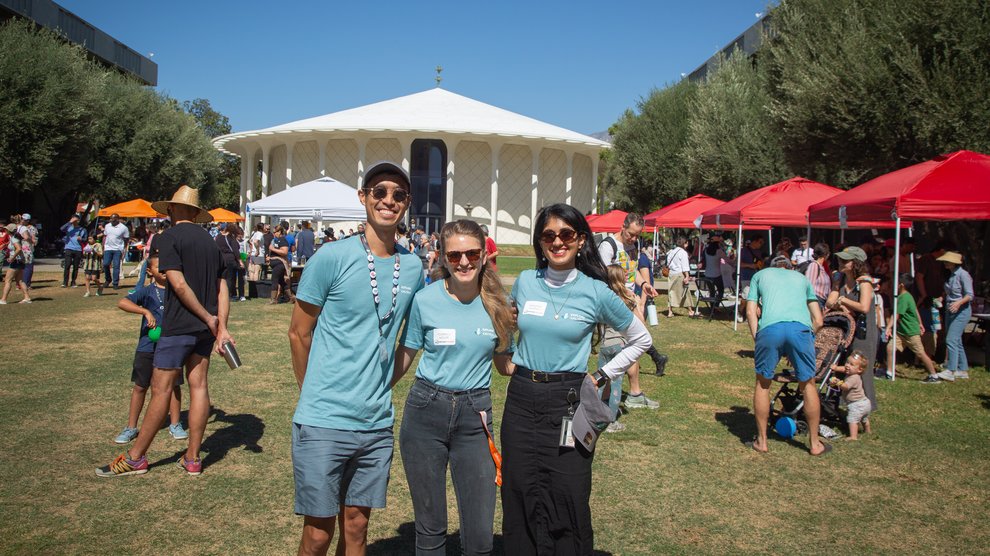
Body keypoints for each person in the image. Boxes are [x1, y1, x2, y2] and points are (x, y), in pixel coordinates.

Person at [287, 161, 422, 556]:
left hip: (376, 423)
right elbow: (299, 331)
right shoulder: (331, 257)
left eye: (398, 195)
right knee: (318, 531)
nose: (388, 200)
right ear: (363, 198)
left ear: (406, 203)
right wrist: (310, 391)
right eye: (379, 191)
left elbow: (409, 342)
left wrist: (381, 385)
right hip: (324, 417)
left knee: (358, 526)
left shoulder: (412, 267)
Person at [502, 203, 651, 554]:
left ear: (581, 240)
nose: (558, 242)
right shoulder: (525, 281)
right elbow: (507, 321)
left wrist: (602, 374)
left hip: (569, 399)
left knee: (567, 491)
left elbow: (641, 339)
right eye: (549, 235)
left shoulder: (595, 291)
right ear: (539, 242)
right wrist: (504, 351)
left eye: (566, 234)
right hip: (522, 397)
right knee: (520, 487)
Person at [392, 219, 514, 556]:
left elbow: (505, 366)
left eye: (472, 254)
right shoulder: (425, 300)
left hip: (475, 419)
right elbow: (406, 354)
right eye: (455, 255)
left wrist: (548, 363)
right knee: (430, 530)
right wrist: (375, 388)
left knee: (479, 536)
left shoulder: (498, 306)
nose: (463, 262)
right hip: (425, 412)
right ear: (443, 257)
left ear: (484, 255)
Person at [96, 185, 232, 478]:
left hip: (179, 326)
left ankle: (135, 458)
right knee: (199, 387)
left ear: (172, 209)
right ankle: (193, 459)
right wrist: (220, 325)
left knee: (161, 390)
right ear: (195, 213)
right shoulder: (211, 241)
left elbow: (178, 284)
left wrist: (209, 318)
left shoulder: (166, 237)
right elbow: (223, 287)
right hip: (204, 330)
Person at [746, 255, 828, 455]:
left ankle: (762, 441)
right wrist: (806, 339)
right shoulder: (802, 279)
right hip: (800, 330)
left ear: (771, 266)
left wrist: (759, 339)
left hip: (770, 329)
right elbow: (818, 320)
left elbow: (750, 312)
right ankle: (815, 444)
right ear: (789, 267)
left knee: (763, 383)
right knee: (808, 383)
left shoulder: (759, 275)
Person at [113, 247, 187, 444]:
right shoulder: (146, 292)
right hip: (147, 346)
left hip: (171, 347)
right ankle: (131, 427)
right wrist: (145, 312)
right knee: (140, 386)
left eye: (166, 268)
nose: (164, 271)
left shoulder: (178, 291)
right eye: (159, 268)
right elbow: (122, 303)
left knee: (174, 386)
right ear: (149, 271)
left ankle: (175, 423)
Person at [598, 212, 665, 398]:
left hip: (630, 300)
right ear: (623, 227)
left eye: (637, 235)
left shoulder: (632, 246)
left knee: (636, 342)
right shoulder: (608, 246)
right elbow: (604, 277)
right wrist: (623, 292)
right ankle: (623, 393)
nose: (634, 238)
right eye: (631, 234)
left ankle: (634, 392)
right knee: (633, 343)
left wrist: (644, 285)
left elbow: (633, 272)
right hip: (615, 303)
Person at [825, 246, 878, 410]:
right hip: (844, 329)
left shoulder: (864, 282)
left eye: (845, 260)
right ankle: (836, 402)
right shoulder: (839, 278)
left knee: (859, 368)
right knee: (840, 365)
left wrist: (843, 301)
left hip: (863, 332)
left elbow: (863, 306)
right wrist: (840, 303)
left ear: (855, 263)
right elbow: (829, 302)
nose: (840, 262)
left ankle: (864, 406)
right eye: (840, 259)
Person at [885, 273, 939, 382]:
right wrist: (920, 323)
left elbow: (896, 314)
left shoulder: (904, 298)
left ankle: (933, 375)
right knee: (890, 348)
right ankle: (889, 372)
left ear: (901, 285)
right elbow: (915, 310)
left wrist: (888, 327)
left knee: (920, 353)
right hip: (901, 332)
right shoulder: (907, 296)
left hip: (910, 332)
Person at [936, 251, 973, 381]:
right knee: (956, 340)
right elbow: (949, 291)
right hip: (949, 310)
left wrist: (958, 303)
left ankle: (950, 370)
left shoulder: (964, 275)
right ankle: (962, 369)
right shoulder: (950, 275)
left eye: (948, 261)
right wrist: (942, 297)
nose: (945, 263)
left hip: (961, 312)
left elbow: (969, 295)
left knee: (951, 339)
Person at [914, 242, 948, 358]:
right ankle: (923, 356)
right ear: (942, 250)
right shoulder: (926, 259)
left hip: (938, 300)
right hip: (927, 301)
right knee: (928, 328)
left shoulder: (942, 263)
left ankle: (933, 354)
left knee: (937, 328)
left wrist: (942, 295)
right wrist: (924, 295)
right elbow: (919, 277)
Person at [829, 350, 872, 440]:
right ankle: (868, 431)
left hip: (856, 404)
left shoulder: (854, 378)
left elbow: (846, 387)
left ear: (859, 369)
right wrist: (836, 368)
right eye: (847, 362)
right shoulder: (853, 372)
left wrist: (838, 382)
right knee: (864, 419)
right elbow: (844, 369)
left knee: (852, 420)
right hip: (865, 403)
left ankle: (853, 436)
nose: (847, 365)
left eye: (851, 364)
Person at [0, 223, 31, 304]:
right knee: (20, 281)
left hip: (16, 261)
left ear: (9, 230)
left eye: (6, 229)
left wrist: (11, 258)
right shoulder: (15, 237)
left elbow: (19, 249)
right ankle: (27, 297)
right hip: (20, 261)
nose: (5, 229)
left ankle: (3, 299)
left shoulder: (14, 238)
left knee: (8, 280)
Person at [664, 235, 694, 317]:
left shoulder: (671, 251)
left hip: (671, 274)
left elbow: (668, 263)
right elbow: (685, 266)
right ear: (685, 243)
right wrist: (687, 276)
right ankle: (690, 311)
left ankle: (670, 311)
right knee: (685, 292)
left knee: (671, 292)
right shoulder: (683, 253)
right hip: (680, 274)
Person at [737, 235, 765, 322]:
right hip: (746, 276)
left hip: (757, 276)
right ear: (754, 241)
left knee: (756, 297)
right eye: (760, 242)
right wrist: (751, 265)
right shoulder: (744, 251)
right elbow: (738, 264)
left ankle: (752, 314)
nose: (761, 244)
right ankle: (740, 311)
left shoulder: (759, 252)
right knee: (746, 297)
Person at [215, 223, 244, 303]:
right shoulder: (230, 238)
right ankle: (229, 295)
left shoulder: (218, 237)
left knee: (222, 277)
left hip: (220, 258)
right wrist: (240, 261)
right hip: (230, 259)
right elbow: (235, 250)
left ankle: (221, 294)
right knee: (230, 278)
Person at [268, 225, 295, 304]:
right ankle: (292, 297)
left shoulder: (283, 240)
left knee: (274, 280)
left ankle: (273, 299)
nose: (273, 233)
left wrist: (273, 249)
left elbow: (284, 252)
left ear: (279, 232)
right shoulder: (276, 240)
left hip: (280, 264)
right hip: (275, 263)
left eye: (275, 232)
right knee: (281, 282)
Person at [101, 213, 129, 289]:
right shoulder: (107, 226)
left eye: (113, 219)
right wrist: (103, 246)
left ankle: (115, 283)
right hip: (108, 248)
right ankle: (108, 279)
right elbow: (105, 236)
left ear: (117, 219)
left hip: (118, 249)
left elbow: (126, 239)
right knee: (106, 264)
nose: (112, 220)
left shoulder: (123, 228)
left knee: (116, 266)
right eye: (111, 219)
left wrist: (124, 250)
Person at [60, 214, 87, 288]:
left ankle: (73, 281)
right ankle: (65, 282)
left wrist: (82, 239)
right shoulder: (69, 227)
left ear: (78, 221)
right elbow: (61, 229)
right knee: (67, 265)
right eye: (73, 219)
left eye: (76, 220)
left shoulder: (82, 229)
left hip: (78, 249)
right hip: (68, 248)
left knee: (76, 266)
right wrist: (70, 222)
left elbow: (86, 239)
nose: (75, 221)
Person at [804, 242, 831, 310]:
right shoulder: (814, 265)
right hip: (816, 300)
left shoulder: (821, 267)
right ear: (826, 254)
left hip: (822, 301)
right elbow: (809, 285)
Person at [703, 233, 727, 307]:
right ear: (718, 243)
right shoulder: (719, 251)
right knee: (721, 290)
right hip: (716, 274)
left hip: (707, 274)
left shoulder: (706, 250)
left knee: (712, 292)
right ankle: (716, 306)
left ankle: (712, 307)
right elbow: (727, 260)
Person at [16, 214, 37, 290]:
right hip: (26, 249)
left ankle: (20, 284)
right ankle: (26, 284)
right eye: (23, 219)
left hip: (18, 248)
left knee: (20, 267)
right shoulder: (26, 228)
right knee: (28, 267)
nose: (23, 221)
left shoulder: (17, 227)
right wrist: (32, 241)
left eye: (24, 219)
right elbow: (29, 238)